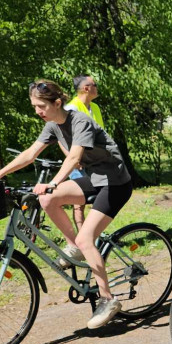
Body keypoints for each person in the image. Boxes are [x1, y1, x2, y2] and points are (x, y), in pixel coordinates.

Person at [0, 80, 133, 329]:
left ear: (57, 103)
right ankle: (74, 247)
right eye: (34, 106)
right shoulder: (52, 125)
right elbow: (30, 154)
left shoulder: (80, 122)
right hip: (95, 179)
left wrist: (53, 182)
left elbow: (75, 156)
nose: (37, 112)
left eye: (41, 106)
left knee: (87, 238)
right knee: (47, 199)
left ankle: (108, 299)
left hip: (115, 183)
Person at [63, 74, 104, 231]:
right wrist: (72, 159)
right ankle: (83, 237)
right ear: (86, 88)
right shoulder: (71, 109)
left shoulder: (95, 108)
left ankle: (96, 235)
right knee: (78, 203)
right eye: (95, 84)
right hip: (78, 163)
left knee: (100, 200)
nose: (97, 87)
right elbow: (62, 139)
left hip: (96, 162)